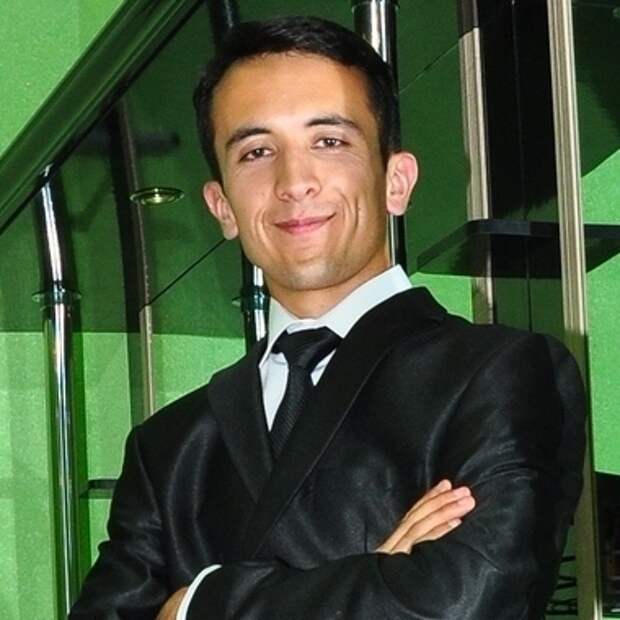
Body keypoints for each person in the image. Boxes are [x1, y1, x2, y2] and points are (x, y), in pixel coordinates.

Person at [70, 16, 585, 620]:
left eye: (329, 142)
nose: (294, 182)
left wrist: (197, 605)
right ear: (222, 206)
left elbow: (462, 600)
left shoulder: (499, 375)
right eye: (257, 152)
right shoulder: (169, 447)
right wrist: (380, 580)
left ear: (396, 181)